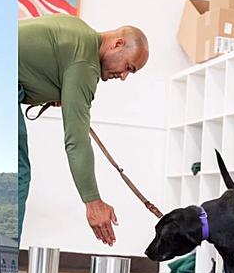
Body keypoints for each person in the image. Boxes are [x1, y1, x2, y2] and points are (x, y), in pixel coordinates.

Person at [18, 14, 149, 249]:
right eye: (127, 67)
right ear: (118, 44)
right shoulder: (85, 63)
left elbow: (35, 62)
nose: (123, 76)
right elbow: (76, 141)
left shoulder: (80, 32)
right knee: (17, 174)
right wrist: (93, 201)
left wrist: (51, 91)